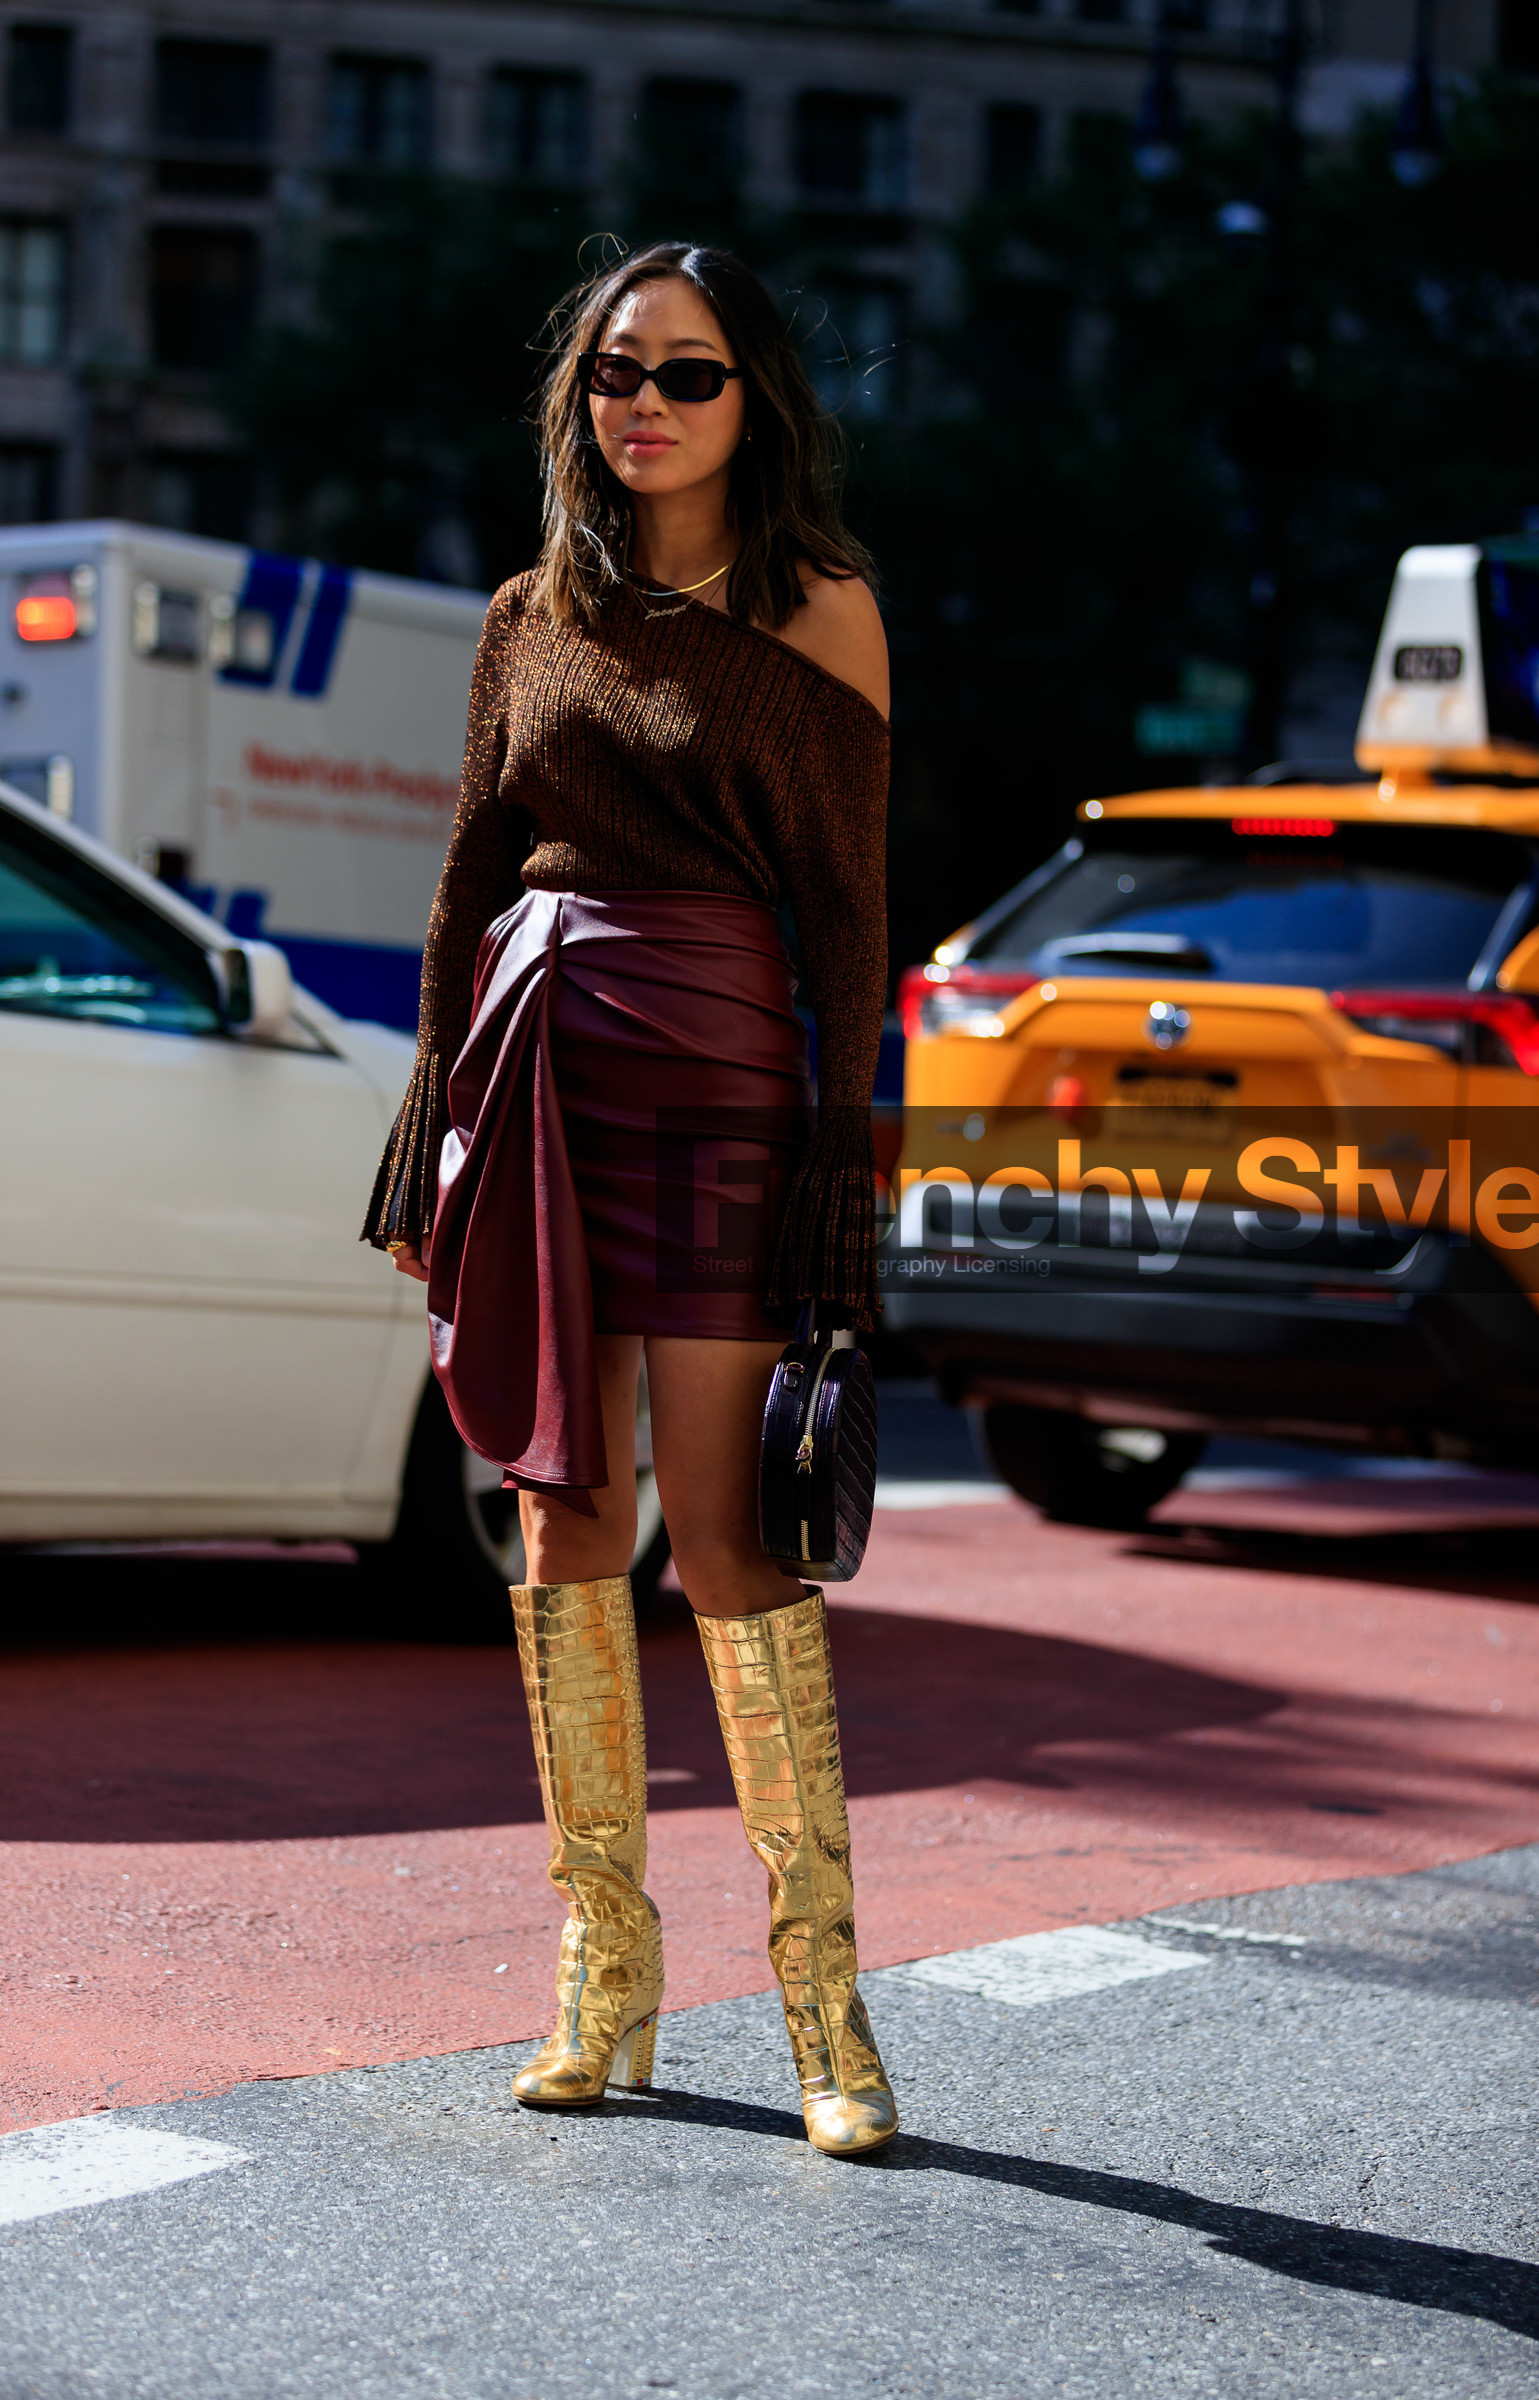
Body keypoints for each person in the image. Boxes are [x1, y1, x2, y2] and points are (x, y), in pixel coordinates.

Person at [363, 240, 896, 2157]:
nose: (641, 404)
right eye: (611, 373)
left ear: (756, 398)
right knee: (558, 1524)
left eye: (684, 373)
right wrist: (431, 1117)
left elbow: (849, 918)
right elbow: (464, 872)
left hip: (728, 1074)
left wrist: (847, 1178)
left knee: (735, 1539)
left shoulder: (820, 608)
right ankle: (605, 1975)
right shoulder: (530, 611)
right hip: (539, 1069)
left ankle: (826, 2012)